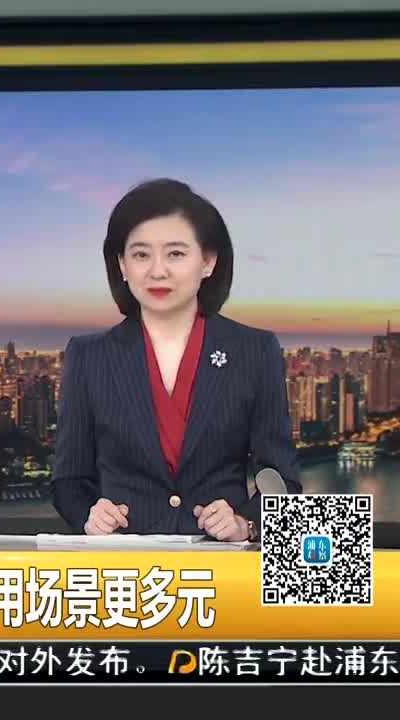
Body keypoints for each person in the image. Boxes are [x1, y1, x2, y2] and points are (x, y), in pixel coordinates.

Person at [51, 178, 301, 541]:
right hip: (127, 563)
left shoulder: (255, 350)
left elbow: (283, 481)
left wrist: (245, 524)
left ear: (208, 261)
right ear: (122, 265)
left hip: (220, 563)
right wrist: (90, 516)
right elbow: (68, 480)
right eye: (141, 255)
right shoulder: (89, 356)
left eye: (176, 254)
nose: (157, 271)